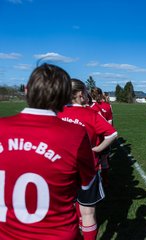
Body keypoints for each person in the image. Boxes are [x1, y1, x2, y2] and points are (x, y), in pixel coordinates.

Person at [0, 63, 98, 240]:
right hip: (58, 233)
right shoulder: (75, 134)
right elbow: (87, 184)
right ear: (64, 98)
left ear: (27, 90)